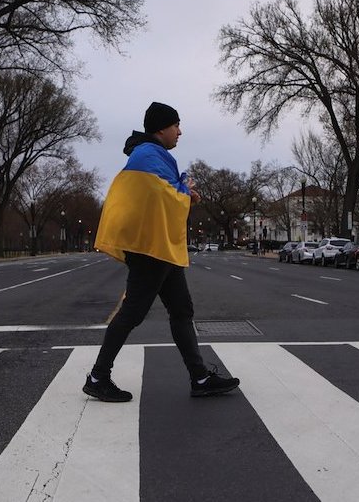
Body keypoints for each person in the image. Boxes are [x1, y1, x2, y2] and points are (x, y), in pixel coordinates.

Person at [83, 102, 241, 402]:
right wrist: (184, 192)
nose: (180, 131)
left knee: (181, 310)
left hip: (161, 250)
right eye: (176, 125)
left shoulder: (155, 156)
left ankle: (200, 377)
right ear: (161, 128)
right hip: (150, 249)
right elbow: (160, 197)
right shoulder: (147, 155)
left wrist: (184, 192)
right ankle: (98, 376)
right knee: (132, 313)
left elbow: (165, 196)